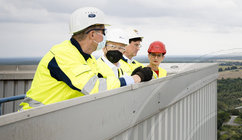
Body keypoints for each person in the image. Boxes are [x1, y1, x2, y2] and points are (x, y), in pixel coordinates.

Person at [20, 7, 153, 110]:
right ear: (92, 35)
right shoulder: (63, 53)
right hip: (34, 117)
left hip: (55, 116)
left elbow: (103, 80)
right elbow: (94, 87)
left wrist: (129, 77)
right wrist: (136, 78)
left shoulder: (86, 58)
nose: (105, 37)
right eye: (104, 32)